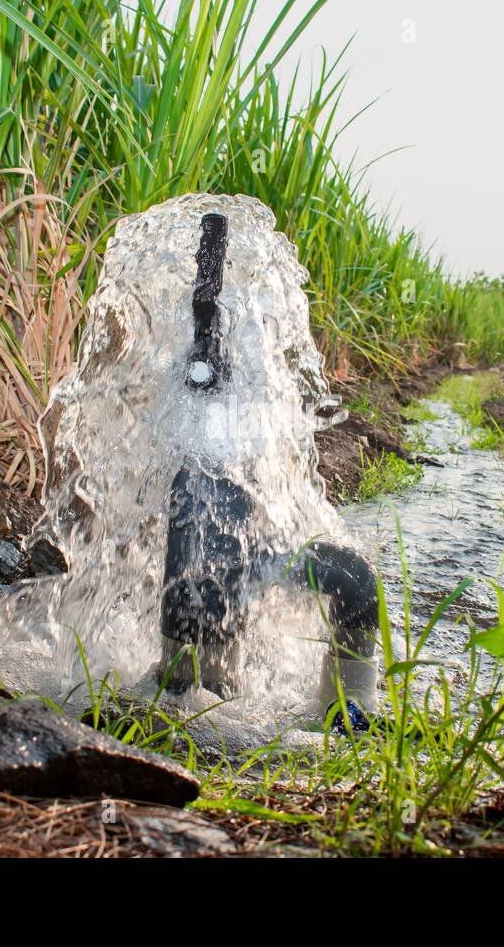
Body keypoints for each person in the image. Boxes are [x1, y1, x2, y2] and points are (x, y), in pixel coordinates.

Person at [158, 214, 379, 728]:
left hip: (235, 563)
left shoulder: (233, 422)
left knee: (356, 581)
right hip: (198, 657)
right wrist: (205, 309)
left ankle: (349, 703)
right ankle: (345, 708)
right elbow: (205, 316)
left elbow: (207, 317)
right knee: (356, 581)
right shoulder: (202, 429)